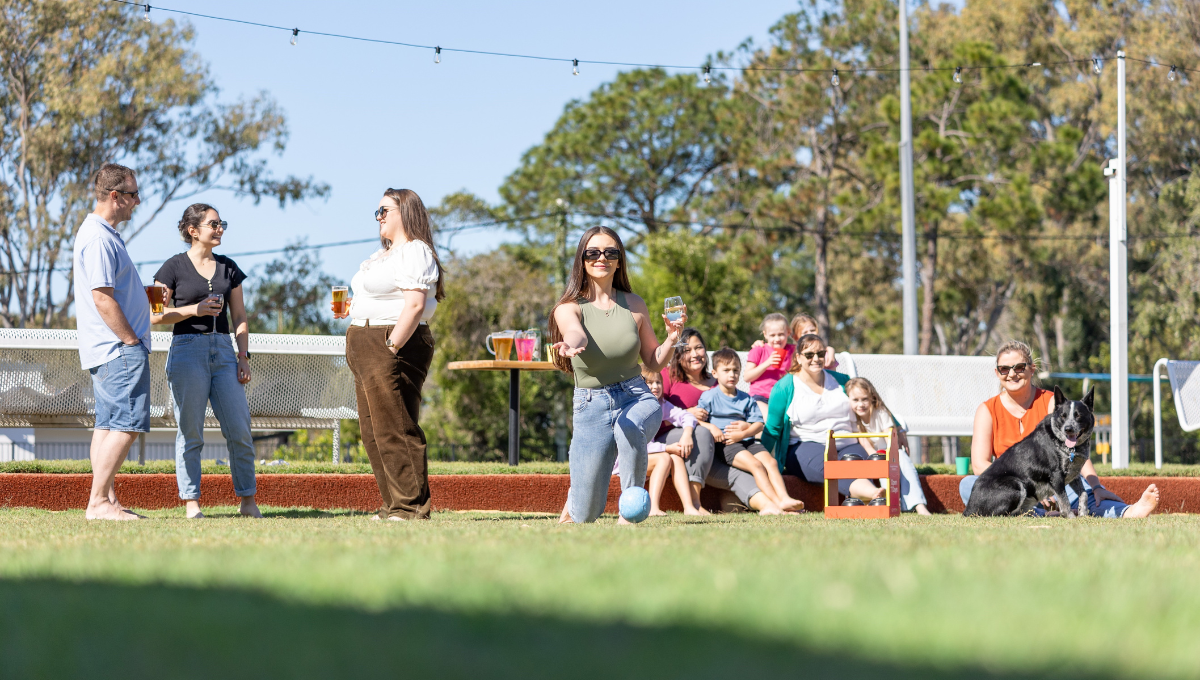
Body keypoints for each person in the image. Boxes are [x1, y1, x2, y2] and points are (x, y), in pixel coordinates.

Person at [549, 227, 683, 524]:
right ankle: (580, 497)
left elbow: (653, 361)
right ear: (582, 260)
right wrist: (571, 345)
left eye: (611, 252)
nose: (602, 258)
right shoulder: (568, 307)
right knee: (584, 514)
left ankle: (631, 510)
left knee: (628, 427)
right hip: (590, 405)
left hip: (636, 397)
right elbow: (575, 332)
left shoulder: (634, 304)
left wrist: (672, 338)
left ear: (619, 261)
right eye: (593, 253)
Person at [332, 188, 444, 521]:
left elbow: (415, 304)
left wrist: (392, 345)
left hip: (392, 340)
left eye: (384, 211)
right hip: (363, 339)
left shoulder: (415, 251)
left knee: (395, 426)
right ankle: (393, 504)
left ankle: (410, 507)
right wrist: (353, 309)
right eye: (377, 212)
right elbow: (380, 296)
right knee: (372, 430)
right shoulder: (381, 255)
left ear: (405, 212)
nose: (378, 218)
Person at [959, 340, 1159, 518]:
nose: (1012, 374)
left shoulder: (1052, 403)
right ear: (997, 373)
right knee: (967, 485)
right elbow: (979, 465)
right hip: (1012, 485)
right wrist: (1030, 490)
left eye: (1019, 367)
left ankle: (1129, 512)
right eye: (1004, 369)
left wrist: (1096, 485)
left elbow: (1076, 448)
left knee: (1085, 493)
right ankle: (1038, 511)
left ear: (1032, 369)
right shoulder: (987, 409)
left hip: (1055, 481)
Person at [152, 203, 259, 519]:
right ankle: (192, 503)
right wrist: (193, 310)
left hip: (225, 353)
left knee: (239, 429)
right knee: (190, 432)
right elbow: (153, 314)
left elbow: (239, 316)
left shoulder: (229, 268)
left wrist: (243, 356)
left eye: (221, 223)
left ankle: (248, 502)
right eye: (214, 224)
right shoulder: (171, 267)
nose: (221, 228)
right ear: (193, 230)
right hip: (187, 351)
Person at [72, 163, 149, 521]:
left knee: (107, 425)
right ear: (115, 195)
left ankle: (106, 500)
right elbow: (102, 297)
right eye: (133, 194)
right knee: (127, 425)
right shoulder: (100, 238)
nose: (137, 201)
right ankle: (99, 502)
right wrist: (131, 341)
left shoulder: (103, 233)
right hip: (117, 349)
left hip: (107, 349)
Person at [661, 328, 784, 515]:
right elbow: (654, 415)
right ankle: (694, 504)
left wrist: (745, 425)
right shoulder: (668, 376)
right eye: (687, 350)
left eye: (699, 348)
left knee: (739, 475)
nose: (695, 354)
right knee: (702, 432)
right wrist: (687, 414)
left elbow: (737, 409)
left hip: (716, 449)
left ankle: (771, 506)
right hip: (680, 440)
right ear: (677, 354)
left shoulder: (718, 380)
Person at [761, 333, 882, 505]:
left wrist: (898, 429)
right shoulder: (784, 387)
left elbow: (873, 402)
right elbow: (772, 430)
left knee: (856, 465)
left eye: (820, 354)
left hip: (848, 442)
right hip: (806, 446)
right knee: (833, 469)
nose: (816, 359)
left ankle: (868, 496)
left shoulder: (842, 381)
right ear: (798, 358)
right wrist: (760, 459)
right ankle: (873, 494)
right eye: (809, 355)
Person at [699, 349, 804, 512]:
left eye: (735, 370)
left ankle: (784, 498)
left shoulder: (746, 398)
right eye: (726, 370)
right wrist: (711, 427)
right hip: (728, 445)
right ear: (715, 373)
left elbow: (758, 424)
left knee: (771, 462)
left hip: (747, 440)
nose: (731, 374)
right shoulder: (709, 397)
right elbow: (697, 419)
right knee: (756, 465)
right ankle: (776, 502)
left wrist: (743, 434)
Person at [846, 377, 931, 515]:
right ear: (849, 399)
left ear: (872, 398)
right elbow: (867, 447)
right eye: (855, 400)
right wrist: (881, 460)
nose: (860, 404)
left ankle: (919, 505)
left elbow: (891, 441)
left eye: (864, 399)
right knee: (883, 462)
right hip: (872, 459)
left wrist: (889, 457)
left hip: (887, 455)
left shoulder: (880, 413)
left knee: (901, 456)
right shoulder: (853, 419)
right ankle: (892, 502)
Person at [641, 367, 703, 516]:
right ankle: (653, 508)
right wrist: (668, 447)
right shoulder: (637, 408)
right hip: (627, 459)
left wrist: (687, 434)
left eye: (658, 382)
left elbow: (686, 416)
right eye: (649, 383)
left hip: (646, 457)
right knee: (664, 457)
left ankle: (688, 507)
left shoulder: (661, 405)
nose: (655, 386)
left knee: (676, 458)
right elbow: (641, 445)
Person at [742, 313, 794, 420]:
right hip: (760, 397)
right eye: (772, 335)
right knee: (771, 420)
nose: (777, 339)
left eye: (781, 334)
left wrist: (830, 350)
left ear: (788, 332)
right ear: (765, 335)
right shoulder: (759, 350)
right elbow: (747, 377)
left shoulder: (793, 350)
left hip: (784, 397)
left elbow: (814, 347)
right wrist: (767, 363)